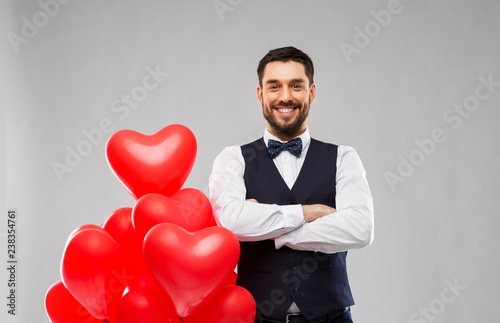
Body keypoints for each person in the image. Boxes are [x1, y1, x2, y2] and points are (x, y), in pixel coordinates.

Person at [209, 46, 374, 323]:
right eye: (274, 86)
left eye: (296, 85)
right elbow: (230, 222)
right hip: (257, 317)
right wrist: (308, 213)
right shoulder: (233, 158)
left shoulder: (344, 157)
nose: (285, 97)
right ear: (261, 94)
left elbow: (361, 229)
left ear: (311, 93)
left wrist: (269, 230)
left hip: (332, 317)